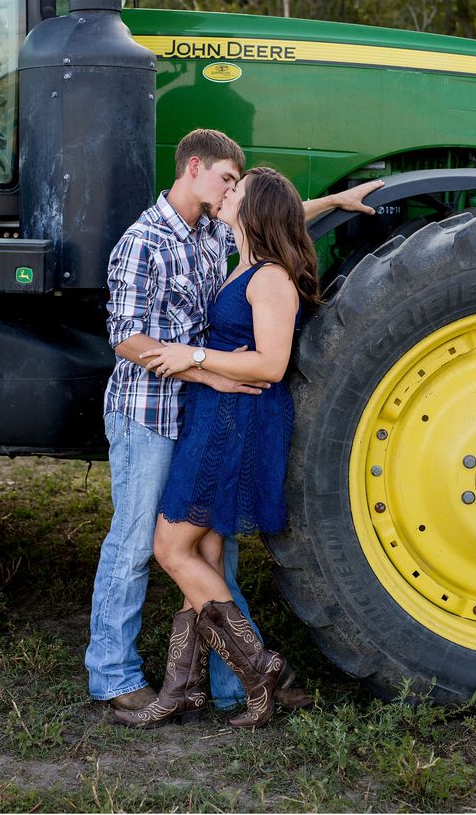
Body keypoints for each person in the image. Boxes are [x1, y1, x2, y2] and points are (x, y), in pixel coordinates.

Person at [85, 129, 382, 714]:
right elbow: (126, 338)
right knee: (139, 542)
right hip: (150, 412)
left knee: (212, 550)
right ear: (195, 168)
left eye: (233, 191)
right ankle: (114, 676)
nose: (227, 195)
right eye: (225, 180)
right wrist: (204, 372)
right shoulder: (144, 241)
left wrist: (334, 204)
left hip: (204, 414)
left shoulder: (210, 233)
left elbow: (270, 215)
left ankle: (228, 685)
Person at [112, 167, 321, 729]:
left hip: (234, 424)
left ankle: (261, 668)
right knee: (199, 558)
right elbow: (293, 213)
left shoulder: (270, 277)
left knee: (170, 549)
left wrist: (193, 357)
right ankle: (183, 691)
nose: (227, 195)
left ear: (255, 211)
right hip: (216, 416)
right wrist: (341, 198)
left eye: (238, 190)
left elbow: (271, 364)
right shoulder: (244, 265)